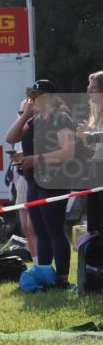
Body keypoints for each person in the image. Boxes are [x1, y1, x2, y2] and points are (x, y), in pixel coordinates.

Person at [5, 79, 76, 288]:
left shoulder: (61, 118)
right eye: (31, 95)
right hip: (33, 180)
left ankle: (62, 278)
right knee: (40, 230)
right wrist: (25, 115)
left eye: (38, 96)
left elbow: (67, 151)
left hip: (54, 181)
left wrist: (36, 158)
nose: (33, 99)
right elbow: (9, 137)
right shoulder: (34, 120)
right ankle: (45, 275)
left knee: (54, 230)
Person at [8, 107, 38, 259]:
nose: (21, 114)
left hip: (36, 179)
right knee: (25, 228)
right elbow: (9, 138)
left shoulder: (36, 126)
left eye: (25, 111)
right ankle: (35, 261)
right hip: (21, 178)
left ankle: (42, 263)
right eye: (20, 111)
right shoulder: (21, 128)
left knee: (33, 227)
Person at [76, 70, 103, 234]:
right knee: (94, 217)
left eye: (93, 88)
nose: (88, 90)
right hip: (97, 166)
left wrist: (90, 135)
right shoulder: (96, 113)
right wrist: (86, 136)